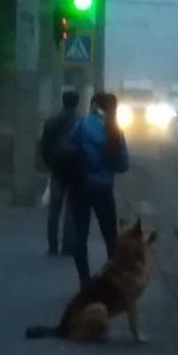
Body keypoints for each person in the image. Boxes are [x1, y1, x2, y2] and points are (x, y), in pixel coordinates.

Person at [68, 92, 129, 286]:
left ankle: (84, 282)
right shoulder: (115, 130)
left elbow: (69, 147)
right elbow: (123, 165)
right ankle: (111, 279)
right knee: (110, 236)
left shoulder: (82, 124)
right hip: (104, 189)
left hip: (80, 187)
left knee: (80, 236)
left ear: (94, 104)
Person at [39, 90, 80, 256]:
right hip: (75, 172)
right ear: (76, 103)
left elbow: (44, 146)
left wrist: (50, 163)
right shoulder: (80, 123)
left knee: (54, 209)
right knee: (71, 209)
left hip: (57, 170)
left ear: (63, 101)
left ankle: (52, 245)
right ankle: (67, 246)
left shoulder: (51, 122)